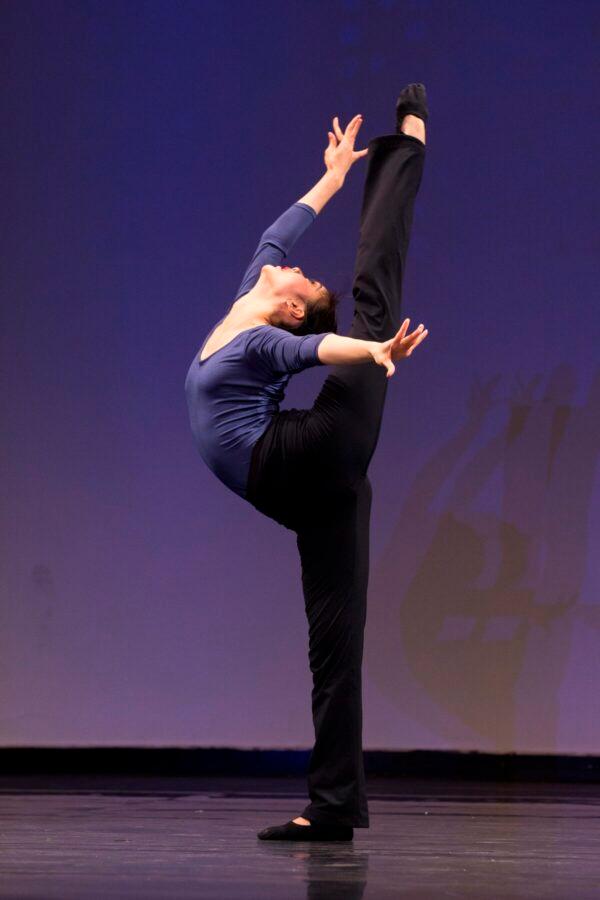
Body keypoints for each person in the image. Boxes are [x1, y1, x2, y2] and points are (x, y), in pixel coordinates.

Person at [184, 84, 429, 841]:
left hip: (302, 456)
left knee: (370, 302)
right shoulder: (252, 289)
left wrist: (375, 352)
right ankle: (333, 806)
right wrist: (330, 175)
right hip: (312, 494)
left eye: (300, 279)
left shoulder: (264, 337)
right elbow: (281, 230)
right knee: (334, 643)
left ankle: (409, 146)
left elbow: (314, 348)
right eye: (298, 275)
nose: (292, 269)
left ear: (288, 306)